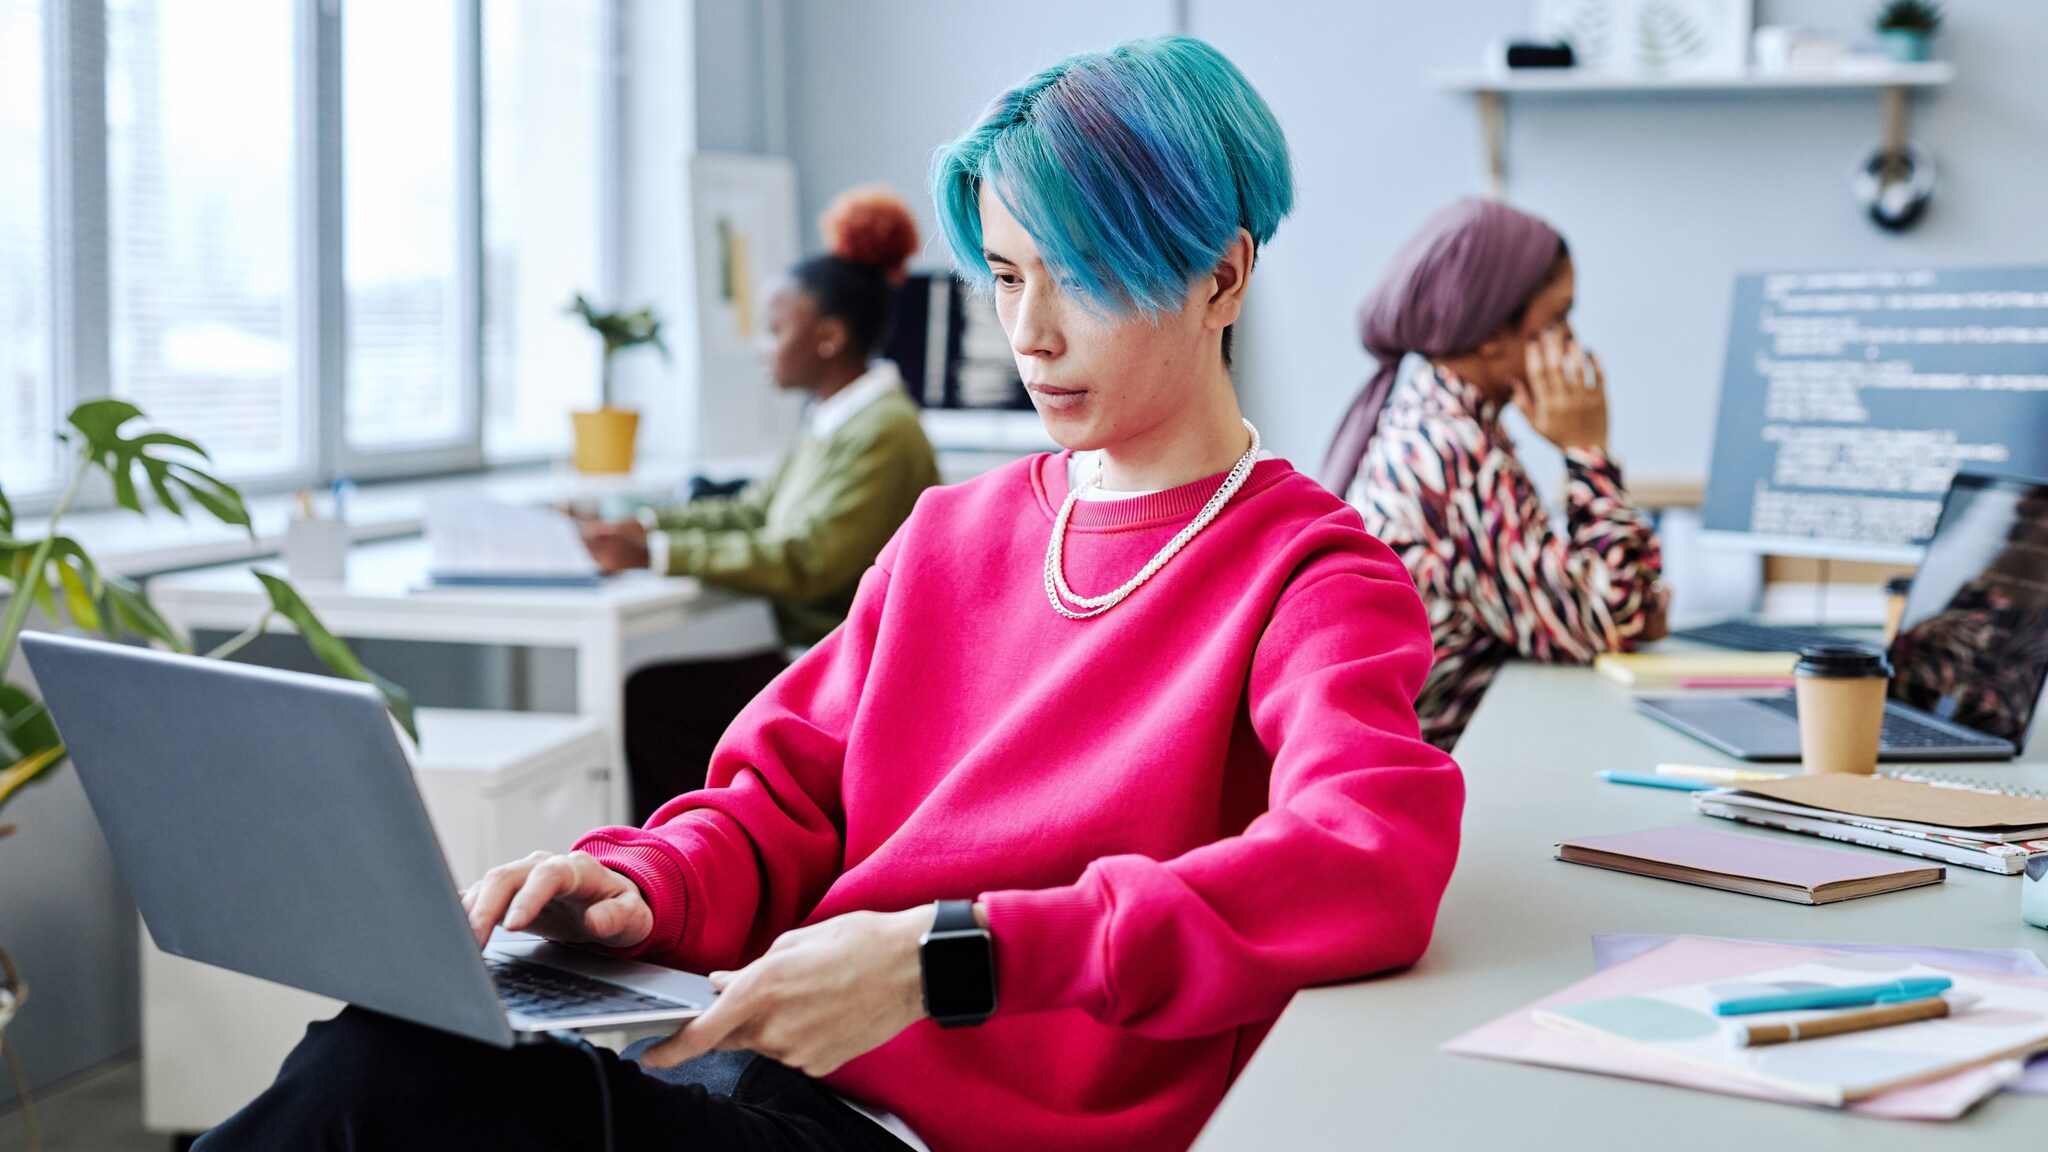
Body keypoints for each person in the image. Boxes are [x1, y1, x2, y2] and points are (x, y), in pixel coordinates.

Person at [197, 35, 1463, 1152]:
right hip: (757, 1068)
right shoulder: (946, 538)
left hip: (937, 1136)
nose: (1030, 333)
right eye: (1008, 276)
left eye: (1078, 275)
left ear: (1221, 278)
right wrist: (648, 884)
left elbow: (1365, 863)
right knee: (393, 1046)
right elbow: (776, 802)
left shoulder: (1310, 571)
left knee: (383, 1080)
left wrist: (946, 961)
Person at [581, 187, 942, 820]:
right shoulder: (832, 419)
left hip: (851, 673)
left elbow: (807, 558)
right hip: (819, 655)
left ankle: (688, 875)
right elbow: (755, 509)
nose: (761, 347)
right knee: (658, 698)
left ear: (828, 337)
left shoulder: (883, 432)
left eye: (775, 329)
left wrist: (658, 551)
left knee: (655, 703)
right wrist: (639, 528)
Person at [1322, 197, 1667, 751]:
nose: (1572, 345)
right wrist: (1587, 450)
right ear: (1489, 332)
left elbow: (1613, 600)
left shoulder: (1451, 426)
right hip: (1427, 781)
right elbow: (1605, 622)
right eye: (1557, 319)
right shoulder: (1447, 451)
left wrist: (1629, 601)